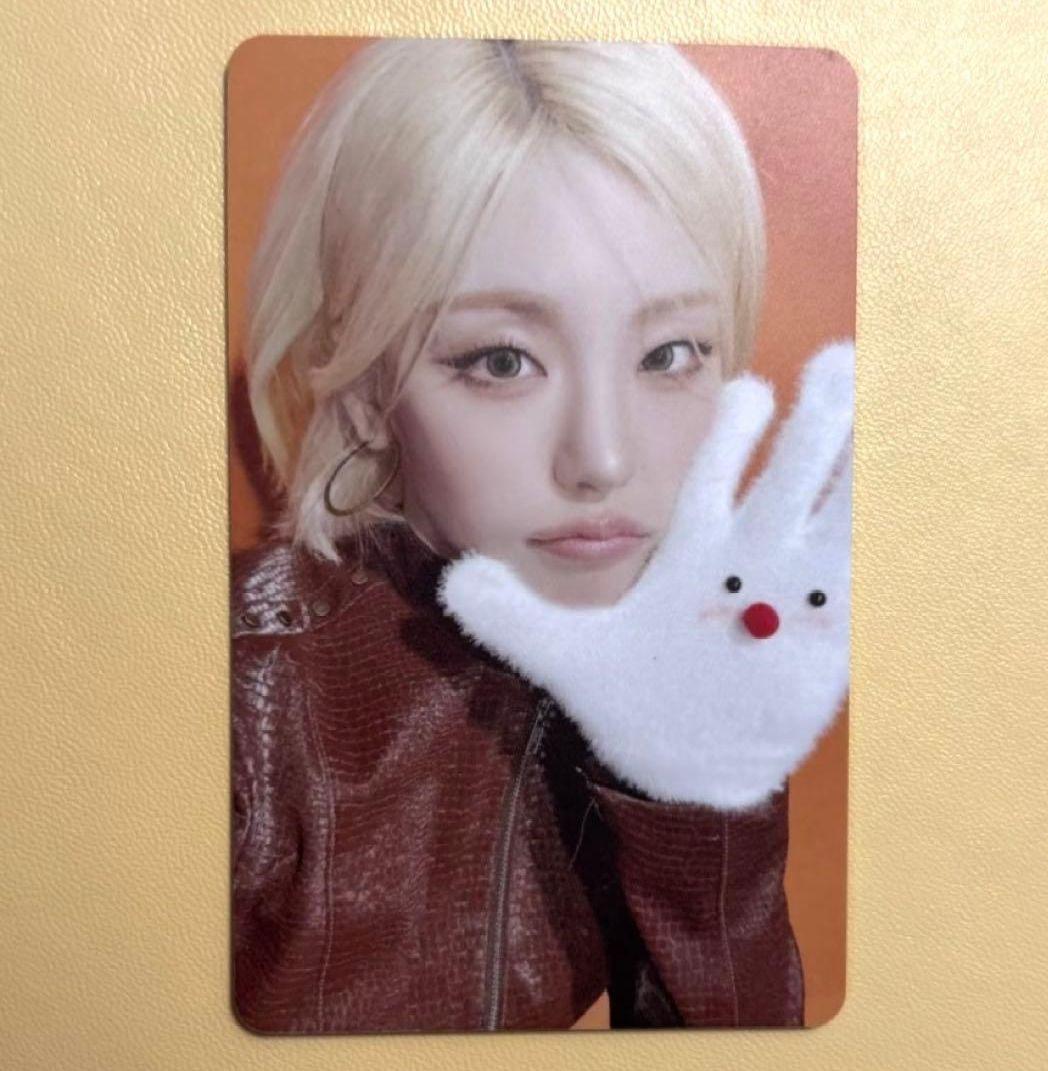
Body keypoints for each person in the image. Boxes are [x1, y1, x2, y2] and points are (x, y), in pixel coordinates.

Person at [231, 36, 805, 1033]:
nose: (602, 459)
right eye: (502, 360)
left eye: (669, 353)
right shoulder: (232, 694)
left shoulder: (691, 651)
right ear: (363, 388)